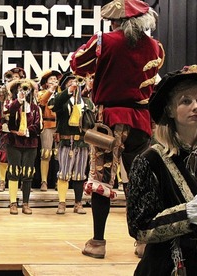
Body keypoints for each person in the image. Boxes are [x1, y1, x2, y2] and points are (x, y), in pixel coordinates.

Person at [126, 66, 197, 275]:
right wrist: (189, 212)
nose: (196, 106)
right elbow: (140, 228)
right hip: (169, 263)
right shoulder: (149, 161)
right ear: (170, 110)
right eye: (185, 101)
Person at [70, 0, 164, 258]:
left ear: (116, 22)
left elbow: (77, 64)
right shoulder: (156, 47)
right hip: (141, 121)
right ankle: (143, 241)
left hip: (109, 120)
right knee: (139, 181)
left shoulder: (104, 41)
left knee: (101, 178)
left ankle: (98, 242)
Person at [51, 73, 92, 215]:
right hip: (66, 141)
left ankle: (78, 203)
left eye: (76, 81)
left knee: (80, 174)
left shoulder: (87, 102)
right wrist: (68, 92)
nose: (74, 83)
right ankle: (62, 203)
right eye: (70, 82)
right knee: (63, 173)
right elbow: (54, 106)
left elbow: (92, 121)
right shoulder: (62, 100)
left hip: (82, 142)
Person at [2, 78, 41, 215]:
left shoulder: (35, 108)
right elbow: (7, 116)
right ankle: (13, 202)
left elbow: (39, 125)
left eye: (25, 89)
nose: (23, 91)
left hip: (30, 143)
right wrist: (18, 101)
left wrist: (28, 131)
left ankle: (25, 203)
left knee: (28, 172)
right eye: (20, 89)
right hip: (14, 142)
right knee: (13, 171)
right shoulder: (11, 104)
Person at [0, 67, 27, 193]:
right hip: (7, 125)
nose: (14, 79)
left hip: (22, 125)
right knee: (3, 154)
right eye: (12, 77)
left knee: (22, 155)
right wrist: (9, 85)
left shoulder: (25, 88)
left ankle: (21, 181)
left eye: (17, 77)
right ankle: (2, 181)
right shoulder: (6, 90)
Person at [36, 69, 62, 192]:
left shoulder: (61, 93)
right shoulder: (42, 93)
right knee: (45, 154)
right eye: (51, 80)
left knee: (59, 155)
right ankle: (44, 181)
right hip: (47, 124)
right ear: (46, 83)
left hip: (59, 126)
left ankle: (58, 181)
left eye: (55, 80)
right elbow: (42, 101)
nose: (54, 81)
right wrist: (50, 90)